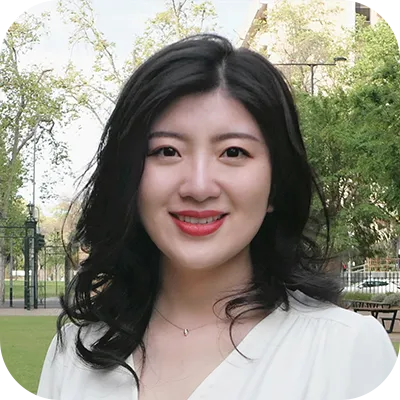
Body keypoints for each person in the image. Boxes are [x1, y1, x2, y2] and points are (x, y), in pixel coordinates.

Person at [37, 34, 400, 400]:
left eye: (233, 152)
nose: (198, 187)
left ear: (276, 185)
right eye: (167, 151)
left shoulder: (345, 351)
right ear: (129, 177)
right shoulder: (78, 351)